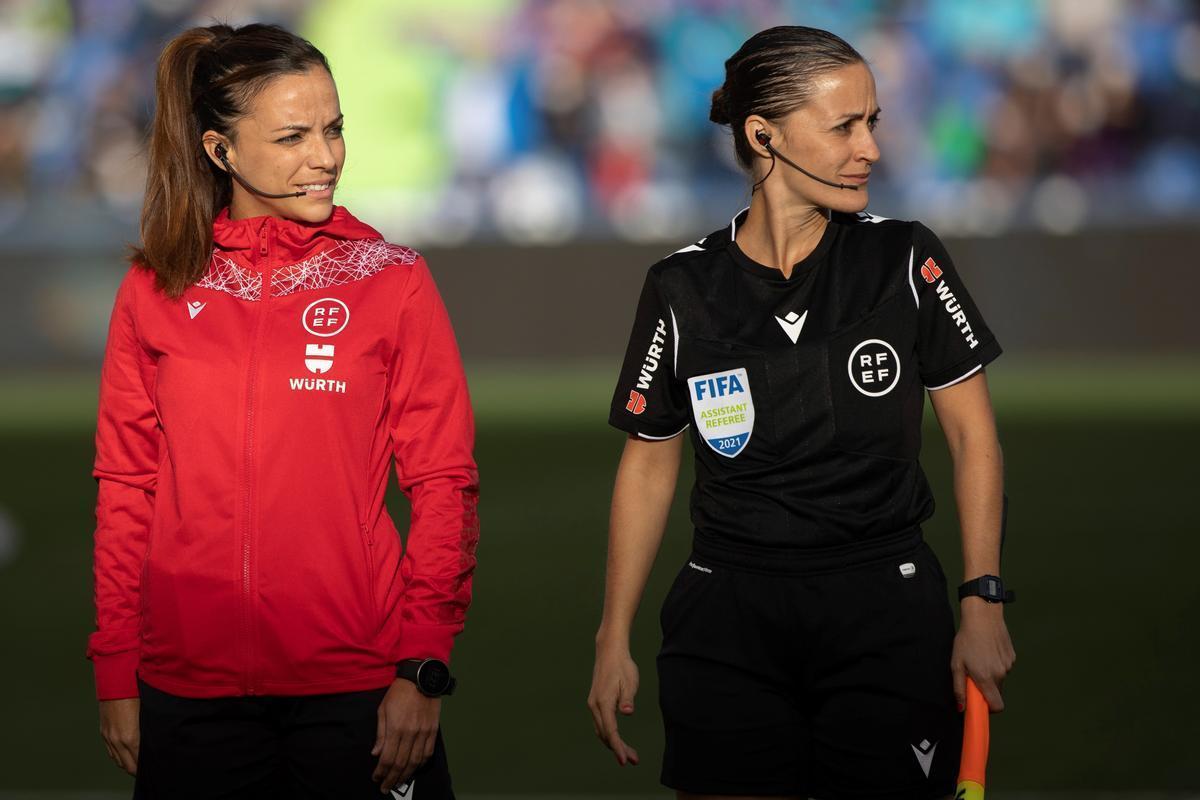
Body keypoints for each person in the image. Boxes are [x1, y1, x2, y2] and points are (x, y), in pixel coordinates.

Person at [588, 26, 1015, 800]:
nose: (871, 150)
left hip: (887, 609)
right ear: (764, 134)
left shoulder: (905, 259)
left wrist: (982, 599)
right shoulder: (681, 286)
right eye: (845, 126)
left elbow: (973, 438)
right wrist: (612, 632)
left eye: (873, 123)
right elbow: (649, 461)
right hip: (725, 619)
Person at [86, 23, 477, 799]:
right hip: (188, 696)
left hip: (359, 690)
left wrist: (422, 668)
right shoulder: (155, 288)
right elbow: (126, 489)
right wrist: (115, 670)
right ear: (219, 150)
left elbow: (444, 482)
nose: (325, 156)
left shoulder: (392, 279)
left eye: (333, 130)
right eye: (293, 136)